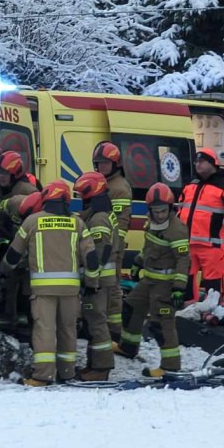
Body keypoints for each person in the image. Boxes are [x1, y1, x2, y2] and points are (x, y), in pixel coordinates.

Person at [2, 181, 99, 386]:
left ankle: (42, 376)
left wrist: (1, 272)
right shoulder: (77, 223)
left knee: (45, 330)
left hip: (43, 290)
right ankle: (67, 373)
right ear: (66, 200)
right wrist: (91, 283)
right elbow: (91, 257)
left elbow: (12, 255)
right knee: (68, 330)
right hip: (71, 290)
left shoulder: (32, 221)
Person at [117, 183, 191, 377]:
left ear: (170, 208)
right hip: (148, 280)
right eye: (155, 211)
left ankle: (170, 366)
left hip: (165, 284)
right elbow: (149, 248)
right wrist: (138, 263)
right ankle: (128, 346)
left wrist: (179, 287)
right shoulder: (151, 223)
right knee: (131, 308)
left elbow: (183, 260)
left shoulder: (177, 230)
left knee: (161, 324)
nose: (159, 215)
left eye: (163, 211)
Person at [177, 148, 224, 308]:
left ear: (212, 164)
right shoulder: (192, 185)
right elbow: (180, 211)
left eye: (201, 161)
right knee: (187, 281)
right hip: (188, 243)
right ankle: (189, 312)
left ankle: (211, 313)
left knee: (212, 285)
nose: (197, 164)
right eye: (196, 161)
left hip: (212, 245)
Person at [74, 171, 118, 381]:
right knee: (94, 322)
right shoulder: (99, 213)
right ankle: (94, 365)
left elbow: (99, 252)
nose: (80, 200)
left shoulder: (99, 218)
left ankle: (101, 368)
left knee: (97, 323)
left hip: (99, 281)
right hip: (103, 279)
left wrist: (91, 281)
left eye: (82, 196)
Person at [0, 192, 45, 328]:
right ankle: (10, 316)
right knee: (10, 283)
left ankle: (30, 320)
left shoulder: (42, 221)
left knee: (28, 287)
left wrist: (7, 266)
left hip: (31, 255)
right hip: (13, 245)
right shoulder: (14, 202)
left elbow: (28, 251)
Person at [92, 142, 132, 342]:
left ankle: (115, 329)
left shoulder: (118, 188)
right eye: (98, 163)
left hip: (113, 245)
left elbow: (117, 223)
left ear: (115, 164)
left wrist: (114, 249)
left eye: (105, 163)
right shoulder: (107, 184)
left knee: (113, 287)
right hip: (107, 243)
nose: (101, 167)